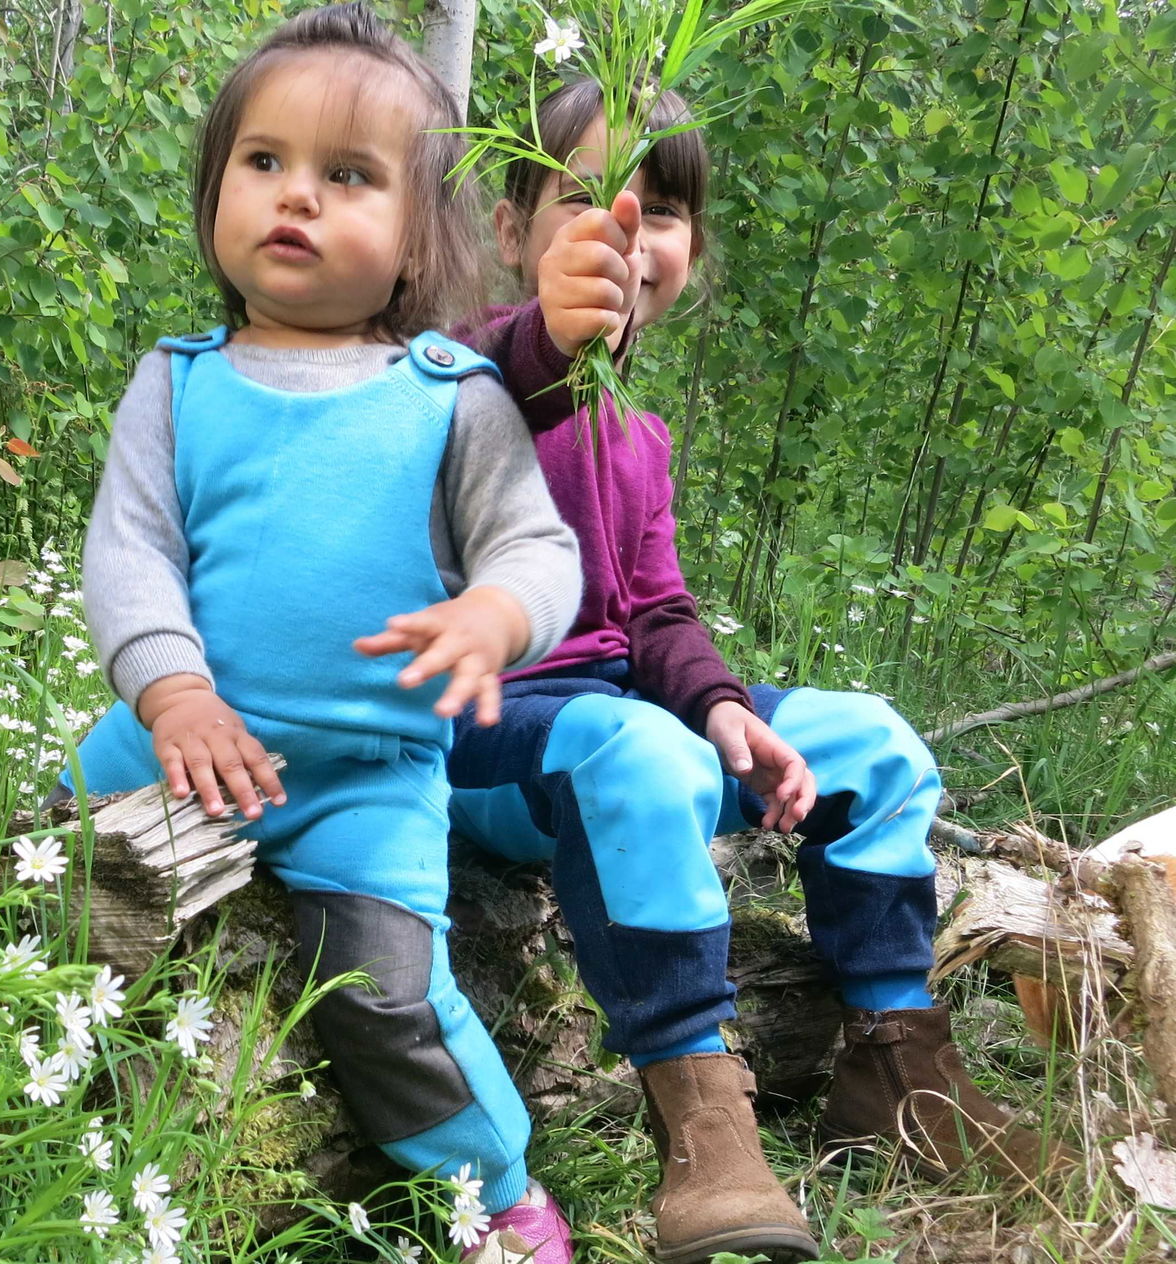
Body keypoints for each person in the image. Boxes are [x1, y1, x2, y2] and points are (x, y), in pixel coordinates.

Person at [445, 76, 1071, 1264]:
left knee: (874, 740)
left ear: (690, 247)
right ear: (509, 226)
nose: (624, 226)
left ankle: (900, 1067)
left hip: (633, 718)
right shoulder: (460, 374)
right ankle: (700, 1114)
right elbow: (505, 379)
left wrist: (728, 708)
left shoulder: (638, 436)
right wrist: (543, 340)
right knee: (630, 745)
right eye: (581, 194)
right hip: (493, 740)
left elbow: (658, 613)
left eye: (661, 208)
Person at [62, 6, 583, 1261]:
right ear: (214, 191)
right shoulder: (175, 382)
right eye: (265, 162)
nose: (296, 197)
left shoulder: (447, 397)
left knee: (387, 998)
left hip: (362, 781)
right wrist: (172, 693)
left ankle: (497, 1198)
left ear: (419, 235)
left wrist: (492, 613)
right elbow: (130, 555)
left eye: (347, 176)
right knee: (31, 886)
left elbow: (535, 547)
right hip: (179, 745)